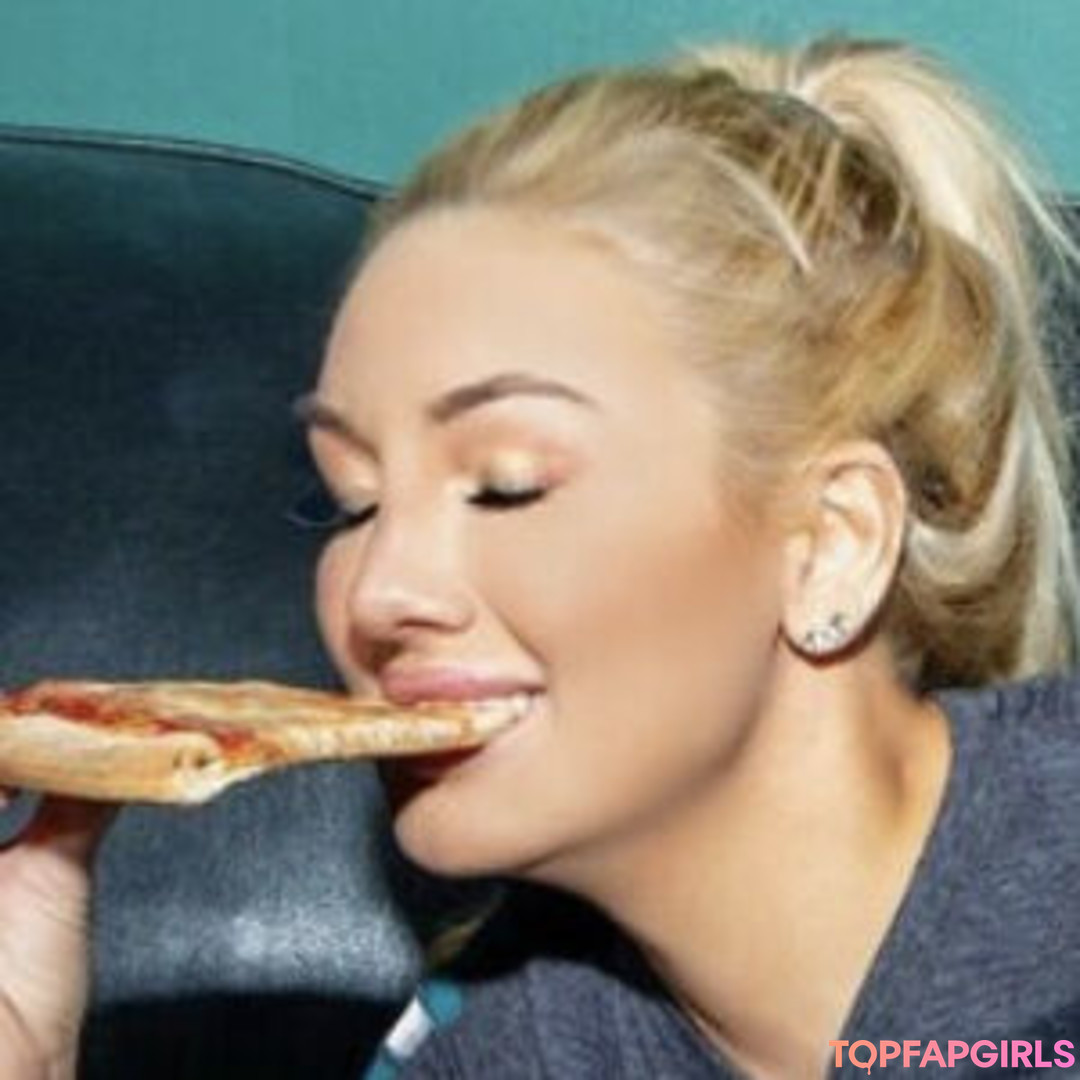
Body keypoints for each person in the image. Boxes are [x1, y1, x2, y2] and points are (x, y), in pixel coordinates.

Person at [3, 30, 1080, 1080]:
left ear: (831, 542)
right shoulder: (499, 1045)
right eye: (349, 503)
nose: (378, 592)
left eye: (506, 482)